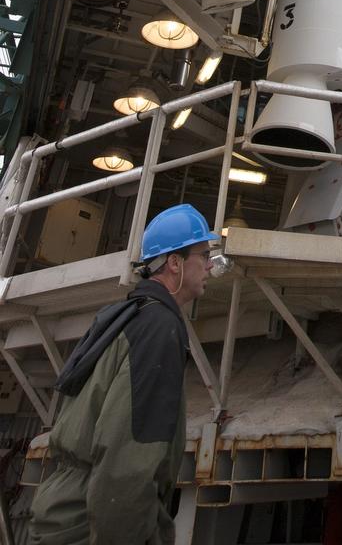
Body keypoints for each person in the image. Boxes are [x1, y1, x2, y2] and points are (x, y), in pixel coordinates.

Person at [28, 204, 218, 545]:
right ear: (175, 263)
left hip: (63, 514)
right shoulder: (158, 328)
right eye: (204, 254)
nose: (210, 265)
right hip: (86, 527)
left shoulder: (125, 316)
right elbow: (126, 465)